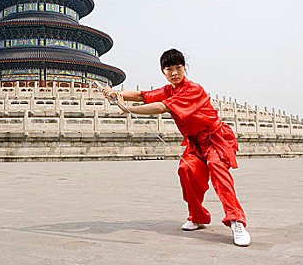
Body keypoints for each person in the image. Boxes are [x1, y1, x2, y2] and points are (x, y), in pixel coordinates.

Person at [101, 48, 251, 247]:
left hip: (216, 139)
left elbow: (163, 107)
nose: (174, 73)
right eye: (169, 69)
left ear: (184, 68)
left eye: (178, 67)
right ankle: (197, 217)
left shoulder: (193, 89)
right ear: (163, 71)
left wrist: (128, 109)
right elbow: (142, 95)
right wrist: (116, 93)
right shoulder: (169, 89)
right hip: (195, 143)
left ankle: (236, 221)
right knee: (186, 170)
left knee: (217, 168)